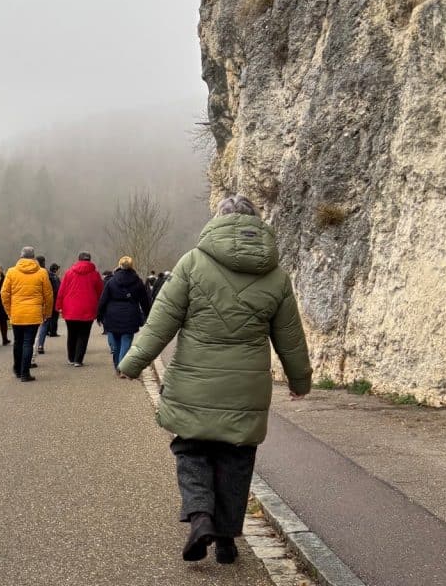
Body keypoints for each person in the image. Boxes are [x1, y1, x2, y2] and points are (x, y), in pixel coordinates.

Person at [119, 194, 312, 564]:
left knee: (191, 450)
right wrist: (299, 381)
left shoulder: (193, 264)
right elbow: (291, 336)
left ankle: (201, 517)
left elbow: (162, 321)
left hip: (195, 381)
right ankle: (226, 539)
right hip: (246, 387)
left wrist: (132, 362)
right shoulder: (276, 276)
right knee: (237, 459)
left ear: (218, 221)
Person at [1, 246, 53, 381]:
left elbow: (4, 294)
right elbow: (48, 295)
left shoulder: (11, 272)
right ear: (33, 257)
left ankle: (17, 369)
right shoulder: (42, 273)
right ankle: (25, 373)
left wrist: (9, 311)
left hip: (17, 312)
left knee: (18, 342)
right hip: (34, 313)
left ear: (21, 256)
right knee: (28, 343)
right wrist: (47, 313)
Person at [97, 256, 151, 377]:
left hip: (113, 314)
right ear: (132, 266)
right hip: (130, 313)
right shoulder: (138, 281)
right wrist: (148, 314)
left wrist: (99, 315)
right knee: (126, 339)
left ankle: (118, 366)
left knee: (116, 342)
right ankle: (122, 367)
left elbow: (103, 299)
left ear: (119, 265)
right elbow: (144, 301)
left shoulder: (111, 281)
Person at [55, 251, 104, 366]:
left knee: (71, 333)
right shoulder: (95, 274)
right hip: (88, 308)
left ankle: (71, 358)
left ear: (78, 259)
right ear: (90, 260)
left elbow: (61, 291)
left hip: (70, 308)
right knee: (84, 334)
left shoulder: (69, 273)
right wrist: (100, 308)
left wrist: (58, 306)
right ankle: (78, 359)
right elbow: (100, 292)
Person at [34, 255, 57, 354]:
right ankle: (40, 345)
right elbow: (52, 290)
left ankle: (31, 345)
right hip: (43, 302)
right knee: (44, 324)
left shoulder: (29, 272)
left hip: (31, 303)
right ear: (43, 262)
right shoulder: (47, 273)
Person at [47, 263, 61, 336]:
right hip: (55, 299)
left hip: (48, 299)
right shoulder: (55, 277)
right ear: (55, 269)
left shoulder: (47, 276)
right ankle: (53, 332)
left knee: (49, 316)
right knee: (54, 317)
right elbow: (57, 289)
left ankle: (47, 331)